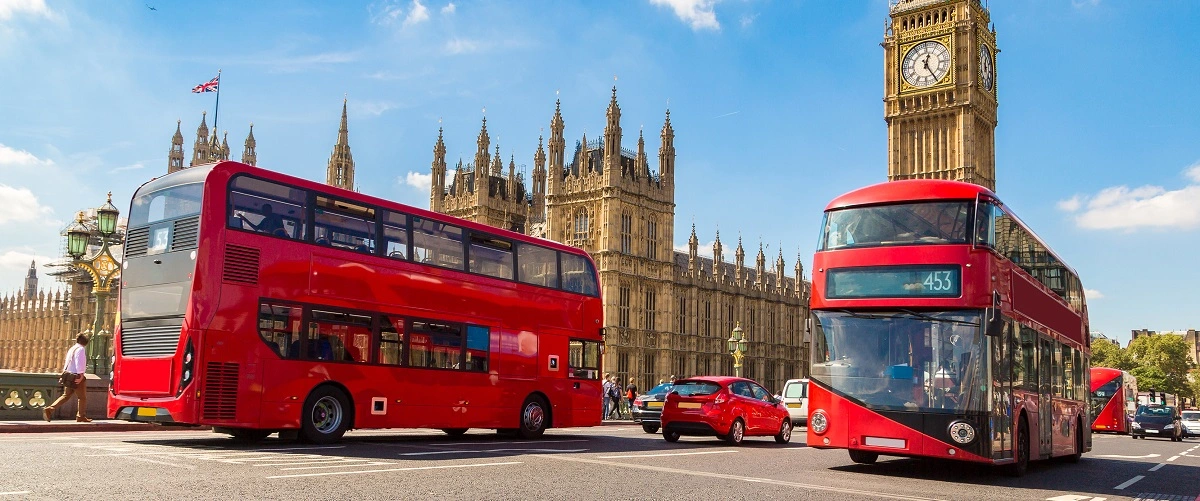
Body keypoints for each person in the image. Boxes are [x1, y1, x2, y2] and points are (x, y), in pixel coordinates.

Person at [43, 334, 91, 422]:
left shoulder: (72, 348)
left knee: (66, 395)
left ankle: (50, 409)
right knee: (82, 397)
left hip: (69, 375)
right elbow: (79, 363)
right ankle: (81, 416)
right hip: (76, 376)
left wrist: (64, 374)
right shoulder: (81, 349)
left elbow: (67, 362)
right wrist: (81, 375)